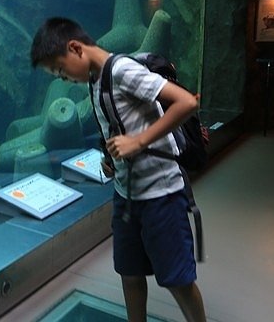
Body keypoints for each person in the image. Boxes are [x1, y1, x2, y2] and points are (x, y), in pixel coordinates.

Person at [30, 17, 206, 322]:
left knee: (177, 280)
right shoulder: (94, 82)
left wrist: (138, 142)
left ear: (76, 48)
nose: (62, 78)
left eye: (60, 70)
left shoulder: (122, 70)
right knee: (130, 273)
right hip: (126, 196)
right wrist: (113, 159)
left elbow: (186, 102)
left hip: (161, 193)